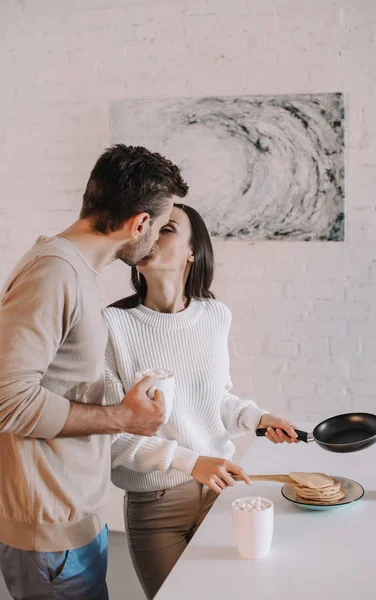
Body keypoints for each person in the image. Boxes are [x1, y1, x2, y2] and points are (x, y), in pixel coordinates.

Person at [0, 144, 188, 600]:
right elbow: (8, 400)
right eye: (161, 226)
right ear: (138, 223)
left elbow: (57, 381)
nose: (158, 238)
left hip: (75, 514)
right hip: (50, 531)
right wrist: (125, 419)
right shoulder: (54, 274)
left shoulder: (75, 271)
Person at [104, 203, 298, 599]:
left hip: (220, 494)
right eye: (148, 227)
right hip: (155, 505)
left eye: (167, 228)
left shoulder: (215, 316)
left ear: (193, 250)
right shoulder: (112, 326)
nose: (151, 235)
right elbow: (111, 435)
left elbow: (216, 400)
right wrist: (191, 462)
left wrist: (258, 418)